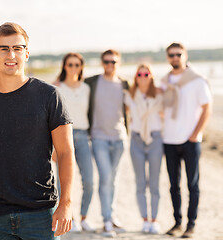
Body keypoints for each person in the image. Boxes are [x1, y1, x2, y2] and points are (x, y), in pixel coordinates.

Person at [0, 22, 75, 240]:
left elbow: (65, 152)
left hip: (40, 212)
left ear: (26, 53)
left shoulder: (49, 96)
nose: (11, 54)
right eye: (4, 48)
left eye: (18, 48)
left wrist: (66, 203)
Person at [162, 43, 212, 238]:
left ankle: (191, 225)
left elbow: (207, 108)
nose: (175, 57)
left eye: (178, 54)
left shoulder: (197, 80)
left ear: (185, 55)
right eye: (171, 55)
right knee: (174, 185)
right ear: (167, 57)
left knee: (192, 184)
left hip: (190, 141)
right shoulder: (165, 81)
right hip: (169, 139)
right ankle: (177, 223)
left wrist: (195, 134)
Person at [85, 49, 129, 237]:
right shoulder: (92, 82)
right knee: (105, 178)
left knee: (114, 179)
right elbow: (70, 87)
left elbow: (143, 97)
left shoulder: (125, 84)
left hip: (119, 138)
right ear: (102, 62)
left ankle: (112, 217)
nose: (110, 65)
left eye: (113, 62)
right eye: (106, 61)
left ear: (118, 63)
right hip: (98, 138)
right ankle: (106, 220)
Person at [54, 53, 94, 232]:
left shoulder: (86, 88)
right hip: (63, 137)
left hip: (83, 136)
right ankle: (70, 218)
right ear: (64, 66)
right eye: (70, 65)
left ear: (81, 67)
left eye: (77, 65)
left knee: (89, 180)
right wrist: (53, 146)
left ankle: (84, 216)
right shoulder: (56, 88)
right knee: (63, 182)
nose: (73, 68)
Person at [124, 64, 163, 234]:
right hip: (137, 140)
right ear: (135, 76)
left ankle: (154, 219)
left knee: (154, 183)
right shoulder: (130, 95)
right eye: (139, 74)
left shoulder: (159, 94)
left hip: (155, 139)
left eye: (146, 74)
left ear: (151, 76)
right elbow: (125, 114)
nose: (142, 76)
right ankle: (144, 219)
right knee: (140, 182)